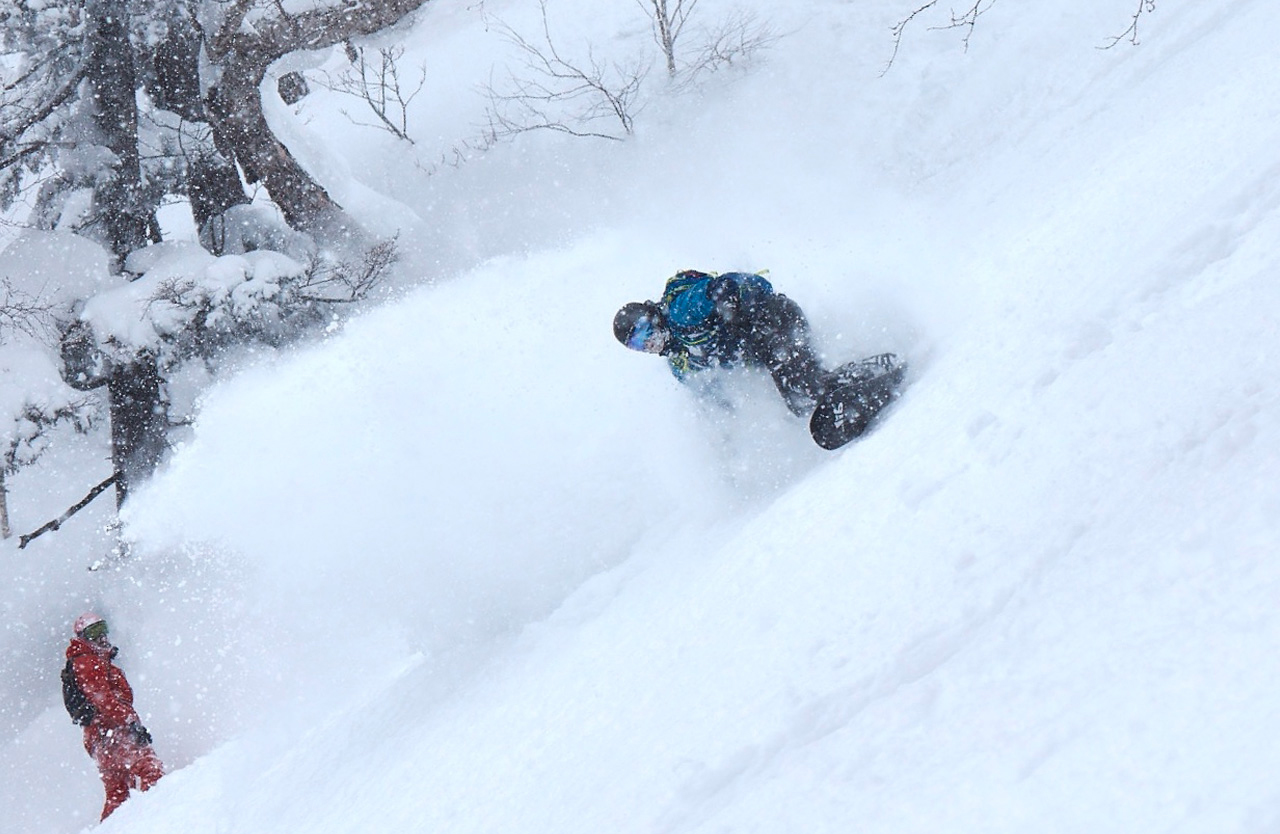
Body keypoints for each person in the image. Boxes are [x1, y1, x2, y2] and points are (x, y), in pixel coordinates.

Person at [613, 269, 831, 416]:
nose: (648, 342)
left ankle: (841, 395)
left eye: (645, 331)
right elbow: (714, 399)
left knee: (801, 391)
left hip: (773, 321)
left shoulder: (681, 312)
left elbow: (721, 286)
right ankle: (843, 381)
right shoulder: (680, 364)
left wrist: (729, 309)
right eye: (638, 344)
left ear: (652, 316)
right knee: (796, 407)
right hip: (764, 350)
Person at [65, 612, 165, 821]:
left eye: (103, 629)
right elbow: (104, 700)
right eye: (94, 632)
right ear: (83, 637)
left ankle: (115, 827)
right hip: (112, 732)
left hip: (101, 738)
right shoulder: (87, 661)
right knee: (150, 770)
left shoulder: (99, 662)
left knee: (118, 793)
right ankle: (162, 817)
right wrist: (130, 722)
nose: (101, 636)